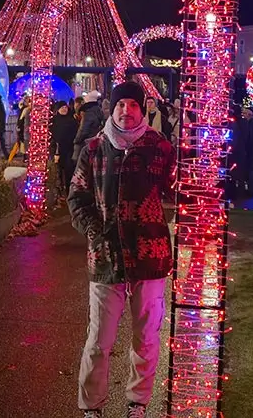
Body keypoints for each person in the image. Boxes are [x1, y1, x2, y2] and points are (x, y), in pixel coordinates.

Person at [68, 81, 175, 418]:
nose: (126, 111)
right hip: (106, 258)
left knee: (146, 339)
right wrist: (93, 232)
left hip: (149, 257)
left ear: (142, 109)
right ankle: (91, 406)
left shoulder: (159, 148)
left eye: (132, 104)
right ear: (110, 110)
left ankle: (138, 403)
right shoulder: (94, 148)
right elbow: (77, 197)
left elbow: (176, 188)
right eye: (120, 105)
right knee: (99, 340)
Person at [231, 104, 253, 198]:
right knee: (249, 171)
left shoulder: (250, 125)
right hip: (249, 151)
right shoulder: (251, 124)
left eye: (245, 113)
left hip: (249, 151)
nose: (243, 115)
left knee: (249, 171)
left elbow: (251, 139)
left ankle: (251, 190)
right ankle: (251, 189)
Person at [50, 100, 78, 196]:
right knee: (57, 171)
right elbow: (52, 135)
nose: (64, 109)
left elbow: (76, 133)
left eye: (65, 107)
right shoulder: (53, 121)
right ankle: (59, 191)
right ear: (58, 109)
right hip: (57, 149)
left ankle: (68, 191)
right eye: (62, 108)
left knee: (68, 170)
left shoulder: (72, 120)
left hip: (69, 149)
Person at [72, 90, 105, 163]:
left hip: (85, 144)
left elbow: (83, 130)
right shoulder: (99, 110)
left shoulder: (88, 113)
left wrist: (76, 140)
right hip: (95, 142)